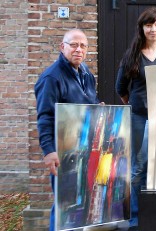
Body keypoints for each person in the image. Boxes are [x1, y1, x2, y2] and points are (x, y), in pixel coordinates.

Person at [115, 7, 156, 230]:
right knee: (138, 168)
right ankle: (134, 218)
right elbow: (120, 87)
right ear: (142, 28)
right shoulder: (132, 54)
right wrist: (134, 105)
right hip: (140, 118)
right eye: (148, 25)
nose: (153, 29)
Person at [35, 29, 101, 231]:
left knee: (80, 204)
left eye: (83, 46)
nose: (78, 49)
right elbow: (45, 116)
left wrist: (98, 108)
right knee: (64, 206)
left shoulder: (86, 74)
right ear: (62, 47)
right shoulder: (51, 78)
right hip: (63, 152)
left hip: (83, 150)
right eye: (73, 45)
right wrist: (49, 150)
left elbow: (89, 103)